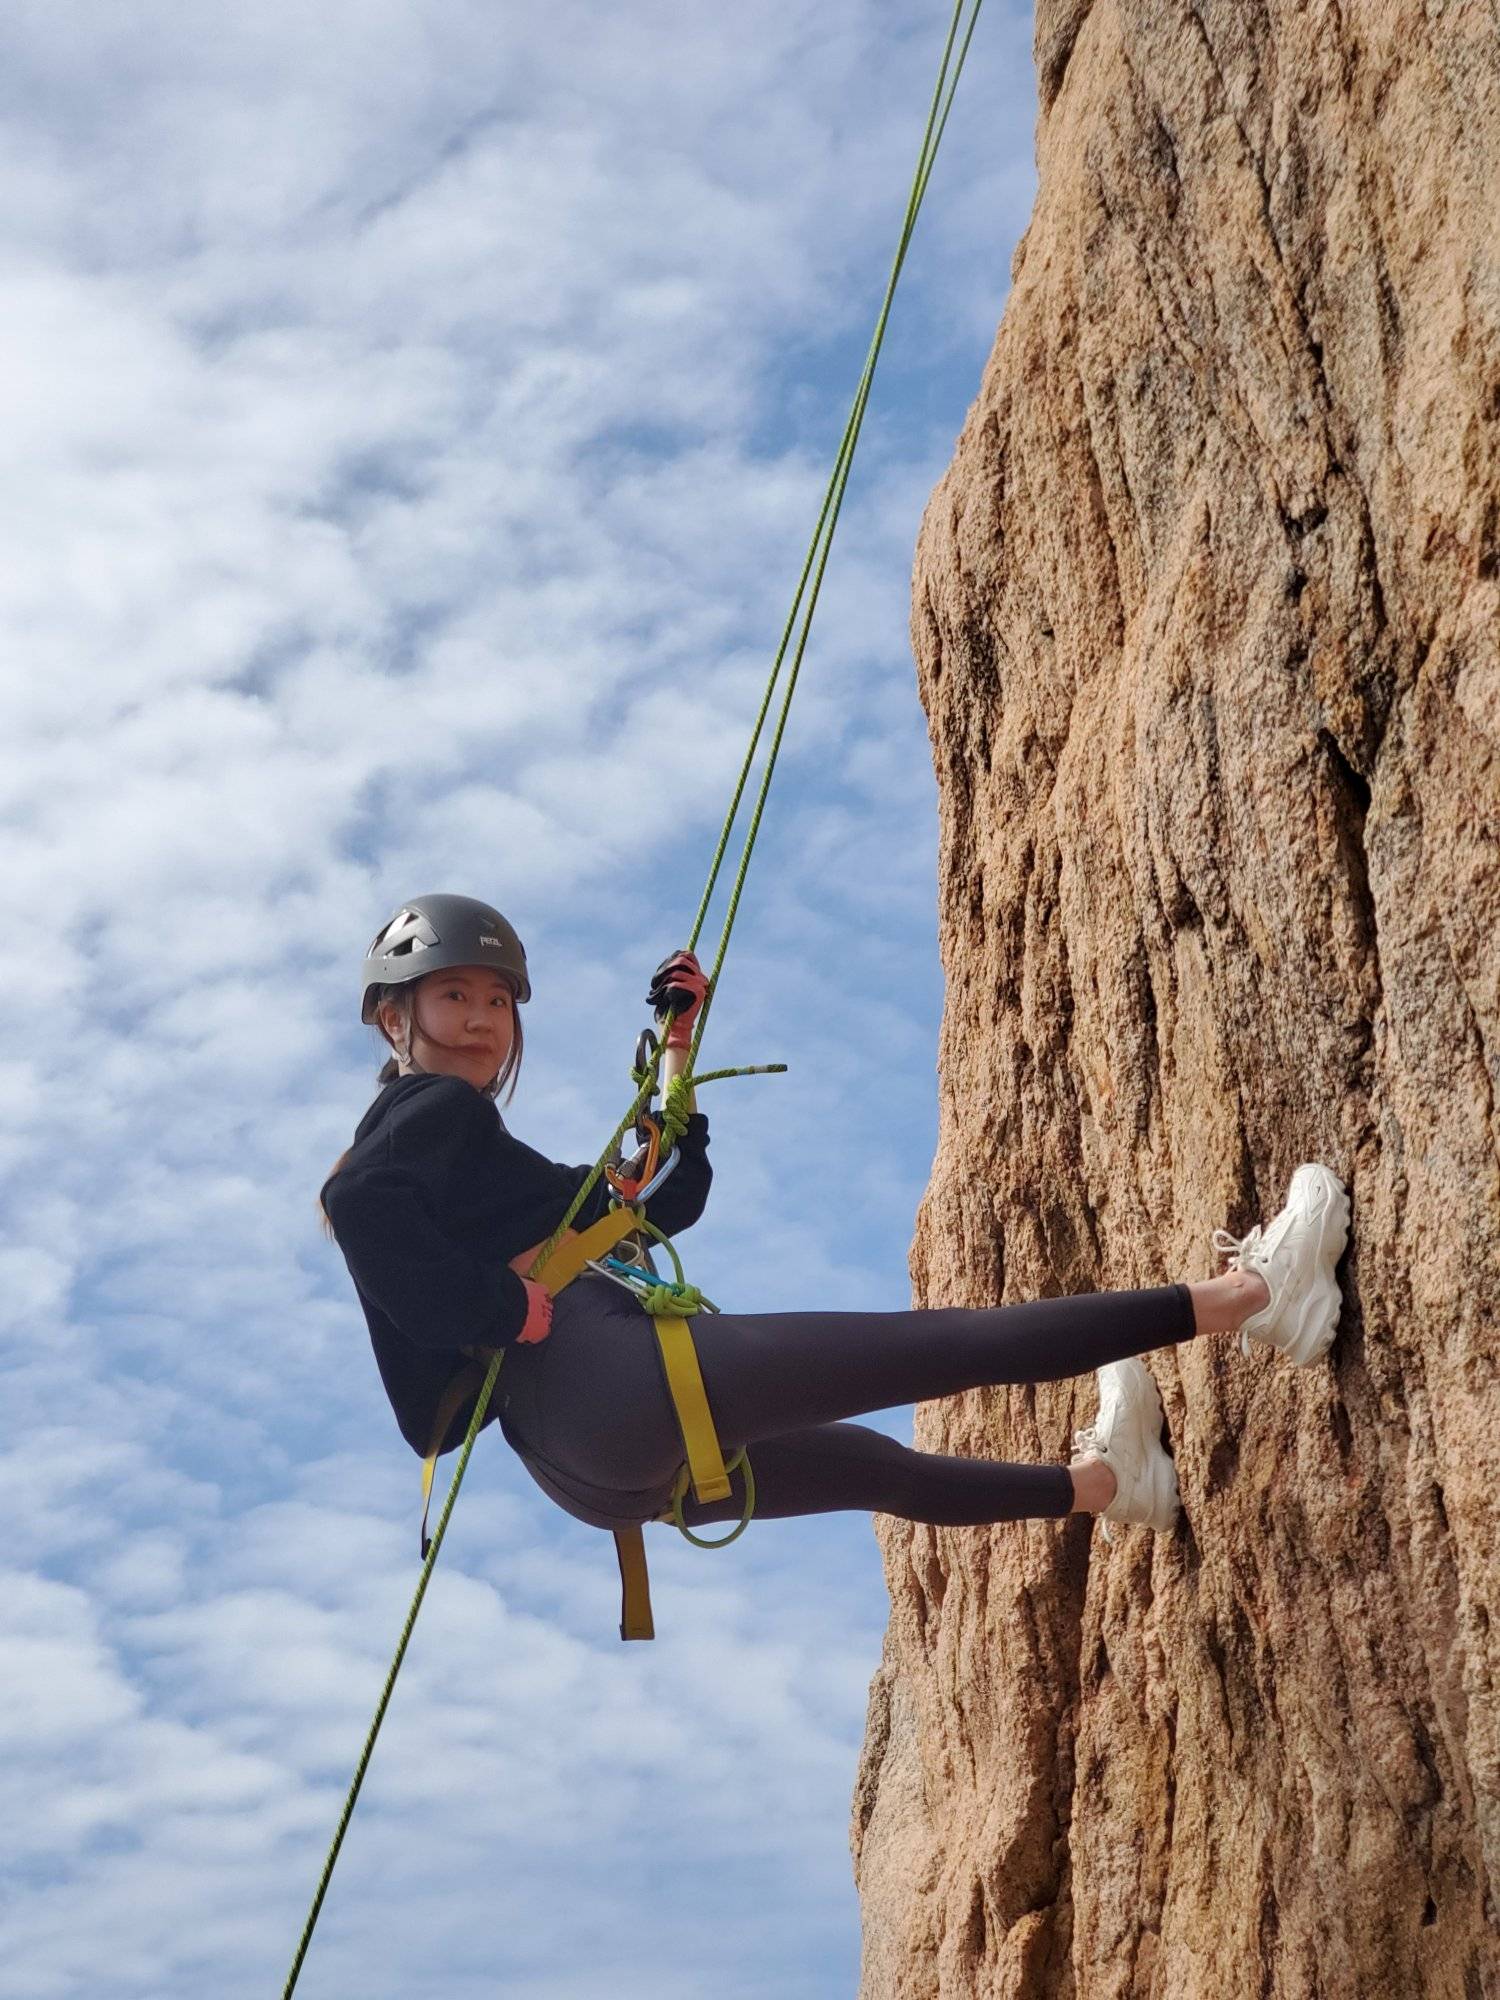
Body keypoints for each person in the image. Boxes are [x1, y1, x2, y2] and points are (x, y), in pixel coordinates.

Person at [320, 894, 1352, 1544]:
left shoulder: (476, 1169)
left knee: (872, 1466)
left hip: (589, 1467)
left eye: (495, 1002)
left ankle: (1105, 1484)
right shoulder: (426, 1110)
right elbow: (355, 1202)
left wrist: (677, 1056)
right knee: (937, 1346)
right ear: (393, 1016)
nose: (478, 1019)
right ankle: (1259, 1295)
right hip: (601, 1380)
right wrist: (505, 1307)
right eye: (450, 994)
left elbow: (649, 1197)